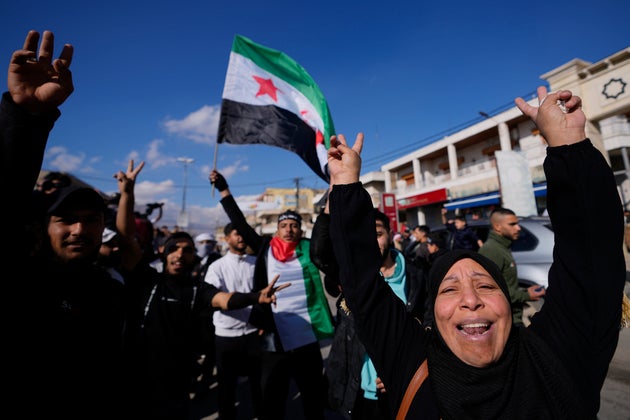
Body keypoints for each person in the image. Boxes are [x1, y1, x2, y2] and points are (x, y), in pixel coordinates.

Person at [324, 86, 626, 418]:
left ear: (508, 305)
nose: (471, 300)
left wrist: (568, 147)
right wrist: (346, 186)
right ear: (433, 313)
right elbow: (363, 284)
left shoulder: (557, 356)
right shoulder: (411, 364)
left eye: (485, 285)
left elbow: (591, 252)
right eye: (450, 289)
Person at [210, 169, 334, 420]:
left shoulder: (311, 250)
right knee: (272, 400)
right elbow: (241, 224)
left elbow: (326, 229)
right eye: (284, 225)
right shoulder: (265, 248)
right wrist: (224, 190)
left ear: (300, 231)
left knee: (313, 398)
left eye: (294, 226)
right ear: (277, 230)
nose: (289, 229)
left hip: (307, 336)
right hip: (273, 338)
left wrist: (332, 198)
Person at [310, 202, 430, 419]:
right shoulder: (350, 275)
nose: (372, 241)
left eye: (377, 233)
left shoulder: (418, 275)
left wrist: (404, 367)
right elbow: (320, 252)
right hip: (358, 392)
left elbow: (432, 326)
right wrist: (332, 196)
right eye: (364, 235)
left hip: (404, 389)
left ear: (390, 234)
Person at [203, 222, 263, 419]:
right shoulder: (216, 267)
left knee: (258, 384)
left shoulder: (256, 263)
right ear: (227, 238)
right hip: (226, 336)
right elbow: (216, 300)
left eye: (243, 234)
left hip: (253, 333)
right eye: (236, 234)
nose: (241, 238)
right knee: (226, 387)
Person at [479, 207, 546, 325]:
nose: (518, 228)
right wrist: (525, 295)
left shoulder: (502, 247)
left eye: (518, 224)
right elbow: (489, 290)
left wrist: (525, 290)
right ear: (497, 227)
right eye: (512, 224)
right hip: (505, 322)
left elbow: (505, 283)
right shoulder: (491, 250)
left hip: (512, 318)